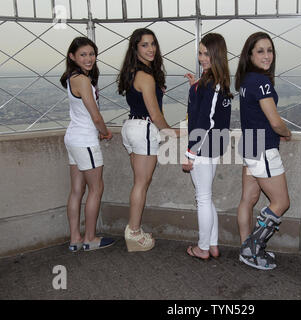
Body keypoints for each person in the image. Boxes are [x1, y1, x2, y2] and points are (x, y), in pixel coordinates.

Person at [117, 28, 179, 252]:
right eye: (144, 45)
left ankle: (135, 230)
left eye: (153, 43)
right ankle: (133, 233)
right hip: (144, 129)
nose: (151, 48)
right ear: (135, 48)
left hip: (131, 127)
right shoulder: (145, 76)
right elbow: (155, 114)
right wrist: (173, 132)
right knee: (141, 184)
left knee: (140, 182)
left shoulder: (134, 73)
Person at [235, 32, 291, 270]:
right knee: (281, 202)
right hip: (264, 147)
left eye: (269, 50)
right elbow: (275, 121)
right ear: (250, 55)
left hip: (250, 143)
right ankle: (252, 250)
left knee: (248, 199)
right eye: (260, 51)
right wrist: (286, 133)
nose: (267, 55)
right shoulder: (262, 82)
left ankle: (246, 248)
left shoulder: (246, 80)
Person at [60, 37, 115, 252]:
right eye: (83, 54)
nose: (89, 58)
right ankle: (90, 238)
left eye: (91, 54)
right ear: (72, 56)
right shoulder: (82, 80)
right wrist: (105, 132)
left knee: (76, 190)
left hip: (73, 137)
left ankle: (75, 238)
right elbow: (96, 116)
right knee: (96, 188)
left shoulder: (72, 78)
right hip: (85, 140)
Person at [182, 33, 233, 260]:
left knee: (202, 198)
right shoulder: (217, 81)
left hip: (203, 145)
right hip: (214, 145)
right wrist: (196, 86)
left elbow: (205, 120)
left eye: (206, 54)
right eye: (200, 53)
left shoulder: (211, 84)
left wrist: (190, 152)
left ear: (217, 55)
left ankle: (203, 248)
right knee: (207, 196)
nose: (202, 57)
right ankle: (212, 245)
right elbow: (209, 110)